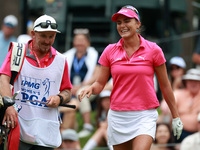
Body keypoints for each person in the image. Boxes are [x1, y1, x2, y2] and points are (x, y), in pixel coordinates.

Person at [78, 5, 183, 150]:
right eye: (119, 23)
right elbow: (100, 83)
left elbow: (165, 86)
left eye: (127, 21)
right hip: (118, 116)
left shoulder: (154, 50)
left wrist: (176, 116)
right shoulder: (109, 51)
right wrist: (90, 88)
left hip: (144, 114)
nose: (122, 26)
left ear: (138, 24)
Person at [0, 14, 72, 149]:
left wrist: (59, 98)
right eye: (43, 36)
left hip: (46, 130)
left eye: (51, 36)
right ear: (33, 34)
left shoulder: (61, 60)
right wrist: (8, 106)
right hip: (18, 126)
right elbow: (4, 78)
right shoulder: (18, 51)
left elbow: (67, 91)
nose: (47, 41)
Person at [62, 28, 100, 138]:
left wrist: (81, 85)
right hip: (70, 87)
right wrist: (69, 86)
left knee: (81, 92)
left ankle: (88, 126)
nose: (79, 43)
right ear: (73, 42)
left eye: (82, 40)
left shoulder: (94, 55)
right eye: (77, 40)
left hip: (88, 87)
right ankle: (70, 125)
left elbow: (96, 75)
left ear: (88, 42)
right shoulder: (68, 55)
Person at [159, 68, 200, 143]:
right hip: (179, 133)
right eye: (190, 81)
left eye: (196, 81)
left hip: (197, 135)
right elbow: (165, 106)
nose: (193, 83)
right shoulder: (179, 93)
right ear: (186, 82)